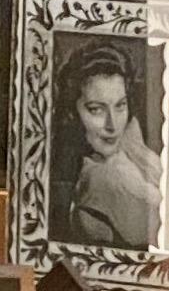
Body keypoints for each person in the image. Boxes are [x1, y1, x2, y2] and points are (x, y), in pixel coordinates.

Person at [51, 39, 159, 250]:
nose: (112, 125)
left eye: (120, 106)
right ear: (74, 113)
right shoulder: (97, 180)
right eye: (96, 109)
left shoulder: (134, 149)